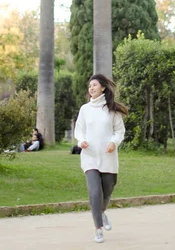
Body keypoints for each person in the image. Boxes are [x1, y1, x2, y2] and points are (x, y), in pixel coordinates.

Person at [74, 74, 128, 244]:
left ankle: (102, 212)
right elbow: (79, 130)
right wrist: (81, 141)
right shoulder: (85, 109)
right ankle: (98, 229)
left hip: (108, 157)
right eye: (90, 86)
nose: (91, 88)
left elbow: (119, 131)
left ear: (103, 88)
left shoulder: (112, 109)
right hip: (90, 157)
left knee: (107, 190)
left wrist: (114, 142)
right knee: (94, 193)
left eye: (95, 85)